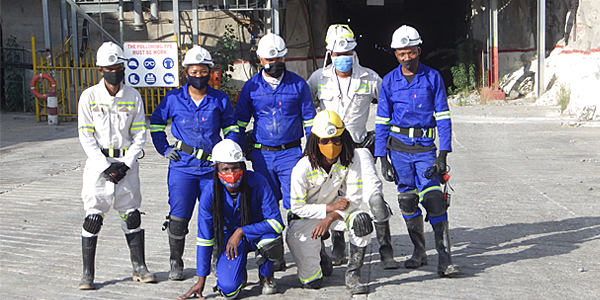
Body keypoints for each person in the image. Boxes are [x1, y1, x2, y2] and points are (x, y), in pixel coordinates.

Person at [307, 24, 399, 270]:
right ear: (330, 54)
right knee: (336, 198)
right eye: (337, 55)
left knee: (376, 199)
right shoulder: (318, 78)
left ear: (354, 53)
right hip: (330, 153)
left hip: (359, 150)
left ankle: (386, 250)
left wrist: (382, 138)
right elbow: (304, 106)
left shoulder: (369, 78)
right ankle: (338, 248)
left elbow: (391, 105)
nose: (342, 59)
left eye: (346, 54)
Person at [375, 25, 461, 276]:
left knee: (434, 200)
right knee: (407, 200)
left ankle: (445, 259)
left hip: (425, 150)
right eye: (401, 54)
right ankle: (419, 251)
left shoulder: (433, 77)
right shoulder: (389, 81)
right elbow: (381, 122)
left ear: (419, 50)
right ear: (396, 55)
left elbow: (443, 117)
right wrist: (383, 159)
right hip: (398, 151)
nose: (407, 58)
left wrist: (443, 154)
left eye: (411, 53)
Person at [149, 46, 240, 280]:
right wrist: (164, 148)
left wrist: (228, 152)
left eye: (203, 71)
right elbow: (157, 123)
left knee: (216, 213)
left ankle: (216, 255)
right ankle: (175, 261)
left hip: (211, 169)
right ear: (186, 72)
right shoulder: (173, 98)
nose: (198, 76)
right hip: (182, 169)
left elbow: (231, 127)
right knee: (179, 217)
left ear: (209, 72)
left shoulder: (219, 99)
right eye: (193, 71)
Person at [76, 41, 156, 290]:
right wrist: (104, 166)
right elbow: (85, 136)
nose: (115, 71)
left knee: (131, 216)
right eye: (110, 67)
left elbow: (141, 134)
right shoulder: (89, 97)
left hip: (126, 165)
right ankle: (87, 274)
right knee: (93, 218)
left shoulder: (133, 96)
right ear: (101, 69)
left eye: (119, 66)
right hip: (98, 166)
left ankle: (139, 267)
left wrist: (126, 164)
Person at [235, 33, 316, 270]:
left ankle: (303, 251)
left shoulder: (298, 84)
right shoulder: (250, 87)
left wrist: (311, 152)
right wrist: (239, 152)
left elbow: (309, 120)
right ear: (260, 59)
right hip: (262, 156)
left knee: (296, 205)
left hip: (291, 154)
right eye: (269, 59)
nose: (274, 63)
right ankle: (275, 255)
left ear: (285, 57)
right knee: (266, 207)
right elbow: (239, 123)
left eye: (279, 58)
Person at [178, 140, 284, 300]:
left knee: (270, 240)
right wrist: (201, 279)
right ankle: (239, 272)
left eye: (235, 167)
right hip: (230, 241)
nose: (231, 173)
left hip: (257, 234)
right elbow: (204, 238)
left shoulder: (259, 182)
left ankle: (266, 276)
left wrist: (241, 231)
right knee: (229, 291)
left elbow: (276, 223)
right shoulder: (210, 193)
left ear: (243, 166)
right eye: (225, 168)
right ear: (217, 170)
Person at [287, 110, 373, 294]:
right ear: (315, 141)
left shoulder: (352, 158)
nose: (331, 145)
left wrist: (330, 217)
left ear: (344, 139)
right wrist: (328, 208)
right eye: (325, 141)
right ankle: (320, 253)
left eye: (336, 140)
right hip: (306, 217)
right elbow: (297, 207)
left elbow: (355, 197)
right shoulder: (302, 168)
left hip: (340, 212)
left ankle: (353, 274)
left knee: (362, 222)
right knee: (312, 282)